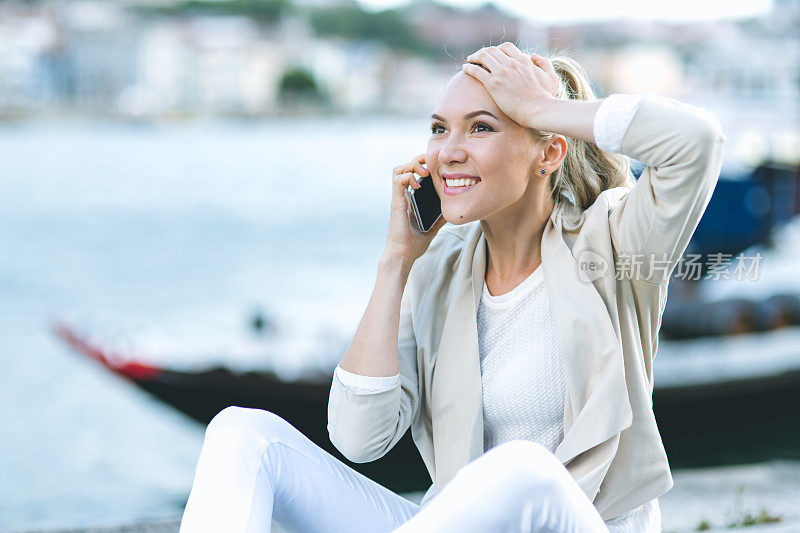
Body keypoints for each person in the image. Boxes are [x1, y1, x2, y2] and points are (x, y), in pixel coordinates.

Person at [178, 42, 726, 532]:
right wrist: (397, 261)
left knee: (521, 467)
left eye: (481, 127)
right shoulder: (438, 270)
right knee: (243, 435)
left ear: (550, 153)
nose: (448, 152)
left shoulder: (614, 243)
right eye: (440, 128)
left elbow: (697, 143)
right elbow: (358, 438)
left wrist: (541, 107)